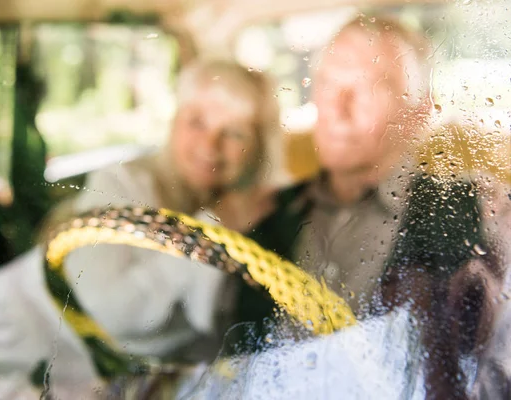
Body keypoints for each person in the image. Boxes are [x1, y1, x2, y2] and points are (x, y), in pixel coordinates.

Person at [0, 59, 289, 399]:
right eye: (197, 122)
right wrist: (212, 231)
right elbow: (113, 311)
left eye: (235, 132)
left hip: (79, 379)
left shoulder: (263, 216)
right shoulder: (124, 182)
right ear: (174, 123)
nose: (211, 145)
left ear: (258, 147)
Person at [191, 15, 511, 400]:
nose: (336, 107)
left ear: (420, 112)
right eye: (326, 84)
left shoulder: (476, 210)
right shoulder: (265, 210)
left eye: (369, 87)